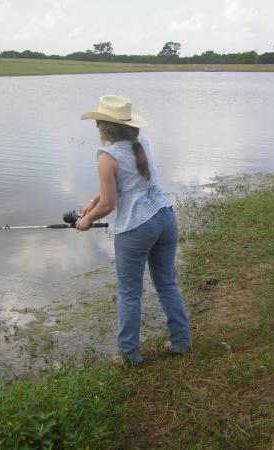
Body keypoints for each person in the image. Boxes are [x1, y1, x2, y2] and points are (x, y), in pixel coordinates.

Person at [76, 95, 190, 365]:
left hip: (137, 227)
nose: (96, 127)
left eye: (99, 122)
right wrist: (94, 201)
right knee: (167, 283)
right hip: (165, 218)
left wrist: (86, 220)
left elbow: (109, 204)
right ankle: (181, 342)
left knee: (129, 292)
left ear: (108, 126)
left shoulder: (107, 156)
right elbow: (127, 184)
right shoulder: (142, 144)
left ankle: (128, 354)